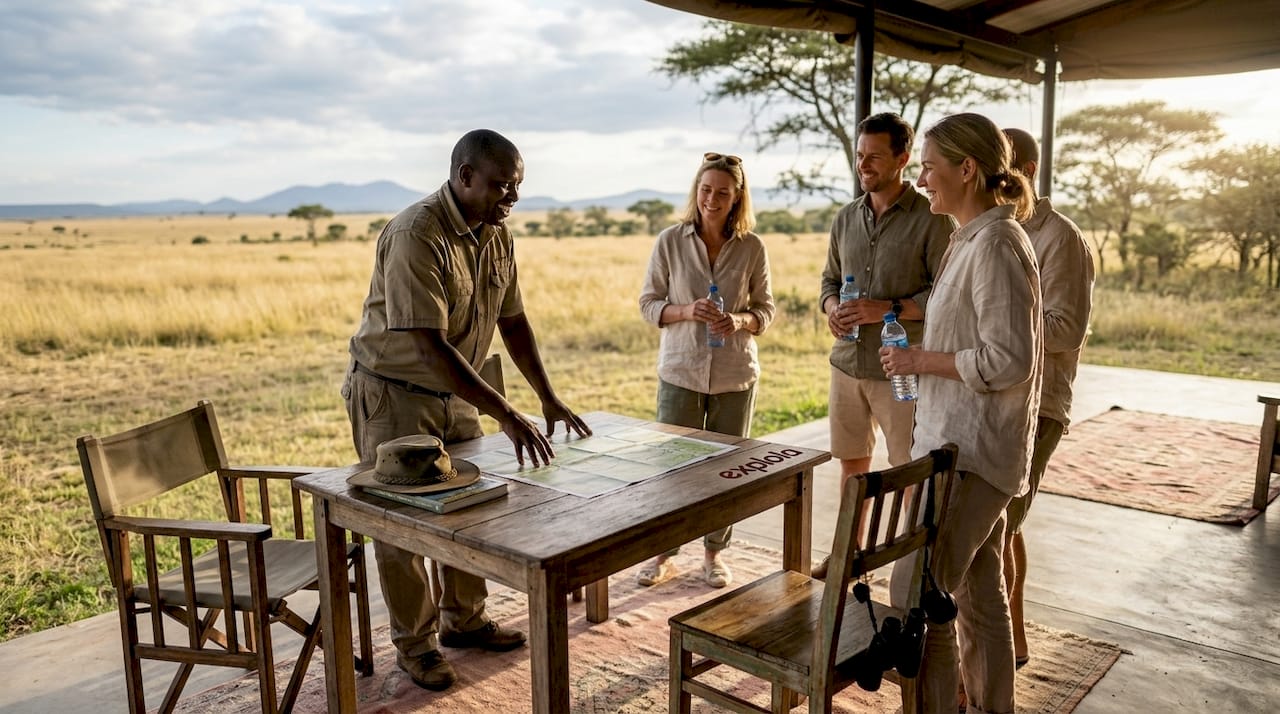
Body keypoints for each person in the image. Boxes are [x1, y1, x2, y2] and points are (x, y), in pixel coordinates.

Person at [342, 129, 592, 692]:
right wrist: (505, 412)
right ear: (464, 177)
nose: (512, 199)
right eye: (502, 186)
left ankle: (465, 619)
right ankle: (417, 647)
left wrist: (546, 395)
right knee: (403, 522)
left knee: (468, 506)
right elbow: (429, 345)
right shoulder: (416, 233)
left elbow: (514, 320)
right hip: (394, 392)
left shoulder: (496, 234)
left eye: (518, 188)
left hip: (457, 391)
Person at [880, 113, 1043, 714]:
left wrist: (922, 357)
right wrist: (920, 360)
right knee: (978, 595)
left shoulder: (997, 243)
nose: (921, 179)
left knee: (921, 595)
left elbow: (1008, 359)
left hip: (971, 454)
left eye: (928, 166)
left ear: (967, 170)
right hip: (964, 445)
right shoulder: (972, 235)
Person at [813, 112, 953, 579]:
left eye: (874, 156)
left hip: (901, 367)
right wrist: (833, 306)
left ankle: (912, 567)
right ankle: (847, 558)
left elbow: (944, 297)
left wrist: (885, 308)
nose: (863, 164)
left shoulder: (933, 221)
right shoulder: (845, 217)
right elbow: (829, 281)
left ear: (903, 158)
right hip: (847, 365)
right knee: (852, 466)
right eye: (859, 154)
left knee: (907, 469)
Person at [636, 152, 776, 589]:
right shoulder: (670, 242)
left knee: (726, 470)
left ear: (736, 199)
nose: (711, 199)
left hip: (735, 373)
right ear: (696, 191)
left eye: (722, 193)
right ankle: (664, 554)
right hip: (680, 371)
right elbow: (648, 304)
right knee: (674, 468)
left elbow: (765, 311)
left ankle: (714, 555)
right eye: (705, 189)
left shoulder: (752, 247)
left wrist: (738, 320)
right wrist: (685, 310)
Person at [1001, 127, 1095, 669]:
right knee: (998, 526)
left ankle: (997, 649)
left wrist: (996, 320)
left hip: (1041, 405)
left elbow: (1066, 330)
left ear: (1027, 172)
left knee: (1000, 526)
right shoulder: (984, 230)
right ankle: (1011, 634)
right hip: (994, 399)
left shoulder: (1061, 238)